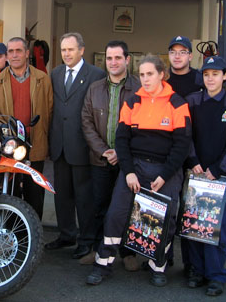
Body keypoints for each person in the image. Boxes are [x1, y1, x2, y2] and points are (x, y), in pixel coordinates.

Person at [86, 54, 191, 287]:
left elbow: (182, 145)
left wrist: (164, 176)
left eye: (150, 74)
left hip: (166, 171)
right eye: (142, 74)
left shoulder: (177, 103)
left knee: (164, 221)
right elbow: (121, 139)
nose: (145, 79)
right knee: (115, 215)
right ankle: (103, 263)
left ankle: (158, 267)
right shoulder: (133, 101)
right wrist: (129, 171)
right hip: (134, 168)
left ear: (161, 75)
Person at [184, 56, 226, 296]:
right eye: (207, 74)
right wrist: (194, 162)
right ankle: (198, 271)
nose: (210, 78)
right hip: (197, 172)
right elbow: (185, 136)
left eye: (216, 74)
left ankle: (216, 276)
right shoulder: (192, 101)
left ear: (225, 76)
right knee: (195, 224)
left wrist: (217, 169)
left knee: (217, 227)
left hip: (221, 175)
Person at [45, 32, 106, 260]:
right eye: (63, 50)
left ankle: (86, 240)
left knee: (84, 197)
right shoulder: (56, 73)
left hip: (82, 145)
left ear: (81, 50)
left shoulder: (96, 74)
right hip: (60, 144)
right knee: (62, 195)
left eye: (70, 49)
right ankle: (66, 234)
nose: (66, 54)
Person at [81, 40, 141, 269]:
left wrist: (122, 153)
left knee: (127, 208)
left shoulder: (139, 88)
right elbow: (86, 122)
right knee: (99, 206)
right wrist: (104, 151)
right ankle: (98, 250)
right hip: (100, 159)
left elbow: (143, 126)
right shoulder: (95, 88)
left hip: (129, 162)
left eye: (118, 58)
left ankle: (128, 253)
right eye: (109, 58)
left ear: (127, 59)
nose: (113, 62)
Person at [0, 37, 53, 219]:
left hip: (35, 145)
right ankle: (11, 237)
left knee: (35, 196)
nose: (15, 55)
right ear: (7, 56)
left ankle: (33, 237)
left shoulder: (43, 80)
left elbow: (49, 111)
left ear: (27, 54)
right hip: (10, 148)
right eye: (11, 52)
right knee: (10, 195)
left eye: (19, 51)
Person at [166, 35, 203, 273]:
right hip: (169, 155)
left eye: (182, 52)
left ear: (191, 55)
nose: (177, 56)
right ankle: (162, 258)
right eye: (173, 52)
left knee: (193, 213)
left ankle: (193, 264)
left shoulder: (203, 79)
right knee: (168, 209)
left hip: (196, 157)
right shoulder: (164, 81)